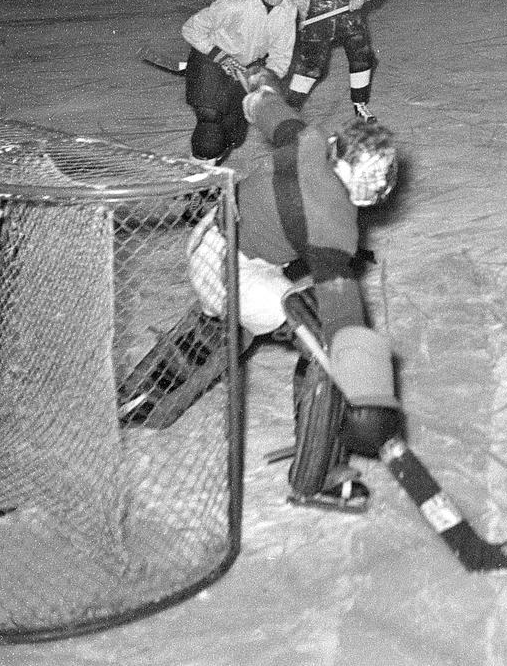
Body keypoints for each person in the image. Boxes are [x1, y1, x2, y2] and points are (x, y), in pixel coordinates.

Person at [122, 75, 401, 511]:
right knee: (324, 346)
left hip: (213, 236)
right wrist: (367, 392)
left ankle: (147, 396)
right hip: (232, 268)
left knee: (242, 311)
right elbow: (343, 314)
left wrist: (260, 85)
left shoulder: (309, 139)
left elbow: (265, 106)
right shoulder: (332, 222)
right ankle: (317, 475)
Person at [180, 0, 297, 161]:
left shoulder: (288, 11)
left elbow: (280, 57)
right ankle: (196, 187)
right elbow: (191, 28)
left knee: (232, 136)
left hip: (247, 67)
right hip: (211, 61)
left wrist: (263, 82)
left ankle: (205, 165)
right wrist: (220, 56)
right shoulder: (234, 4)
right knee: (210, 130)